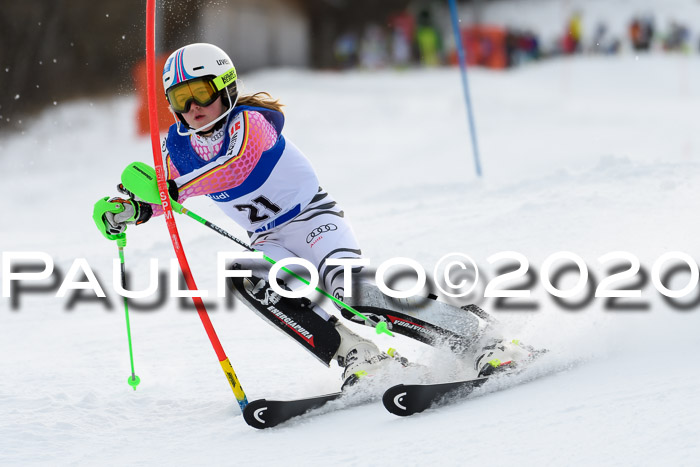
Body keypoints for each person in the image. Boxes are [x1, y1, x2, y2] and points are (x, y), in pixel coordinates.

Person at [93, 43, 530, 388]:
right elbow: (160, 198)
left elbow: (235, 165)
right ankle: (359, 355)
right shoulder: (178, 145)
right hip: (269, 239)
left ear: (225, 87)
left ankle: (478, 338)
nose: (192, 108)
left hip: (315, 222)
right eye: (180, 98)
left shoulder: (252, 123)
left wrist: (174, 188)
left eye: (201, 93)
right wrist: (128, 210)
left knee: (352, 294)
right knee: (245, 277)